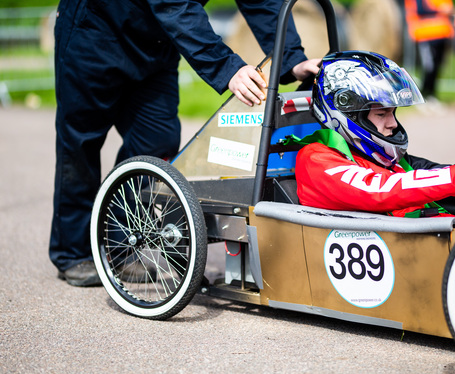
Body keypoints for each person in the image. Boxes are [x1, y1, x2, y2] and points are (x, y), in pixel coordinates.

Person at [52, 0, 320, 287]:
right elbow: (174, 3)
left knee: (157, 141)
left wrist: (293, 59)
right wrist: (226, 67)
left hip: (156, 44)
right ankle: (73, 253)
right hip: (95, 31)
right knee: (81, 145)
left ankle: (121, 246)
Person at [295, 51, 455, 222]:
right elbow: (381, 189)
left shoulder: (382, 159)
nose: (392, 124)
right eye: (381, 114)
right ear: (346, 113)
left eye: (392, 113)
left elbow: (432, 180)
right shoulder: (315, 159)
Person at [404, 0, 454, 103]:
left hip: (441, 34)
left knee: (437, 66)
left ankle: (431, 93)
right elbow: (420, 10)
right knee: (429, 67)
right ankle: (424, 94)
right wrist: (440, 10)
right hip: (426, 34)